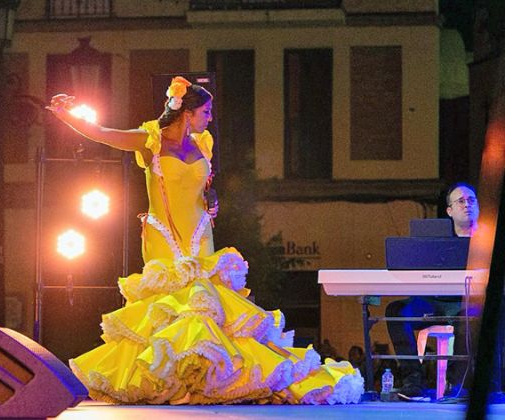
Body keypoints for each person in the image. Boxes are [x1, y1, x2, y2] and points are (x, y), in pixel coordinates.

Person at [47, 76, 364, 405]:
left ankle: (207, 375)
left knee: (205, 304)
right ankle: (173, 378)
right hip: (165, 236)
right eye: (207, 111)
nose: (210, 118)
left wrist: (212, 199)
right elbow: (104, 134)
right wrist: (69, 116)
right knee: (175, 306)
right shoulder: (151, 140)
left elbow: (203, 187)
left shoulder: (203, 144)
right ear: (188, 112)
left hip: (201, 233)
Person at [385, 182, 479, 398]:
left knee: (472, 314)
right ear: (449, 211)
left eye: (472, 200)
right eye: (461, 201)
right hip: (431, 300)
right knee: (396, 311)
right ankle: (413, 382)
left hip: (466, 303)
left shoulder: (488, 241)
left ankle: (457, 385)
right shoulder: (434, 239)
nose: (467, 205)